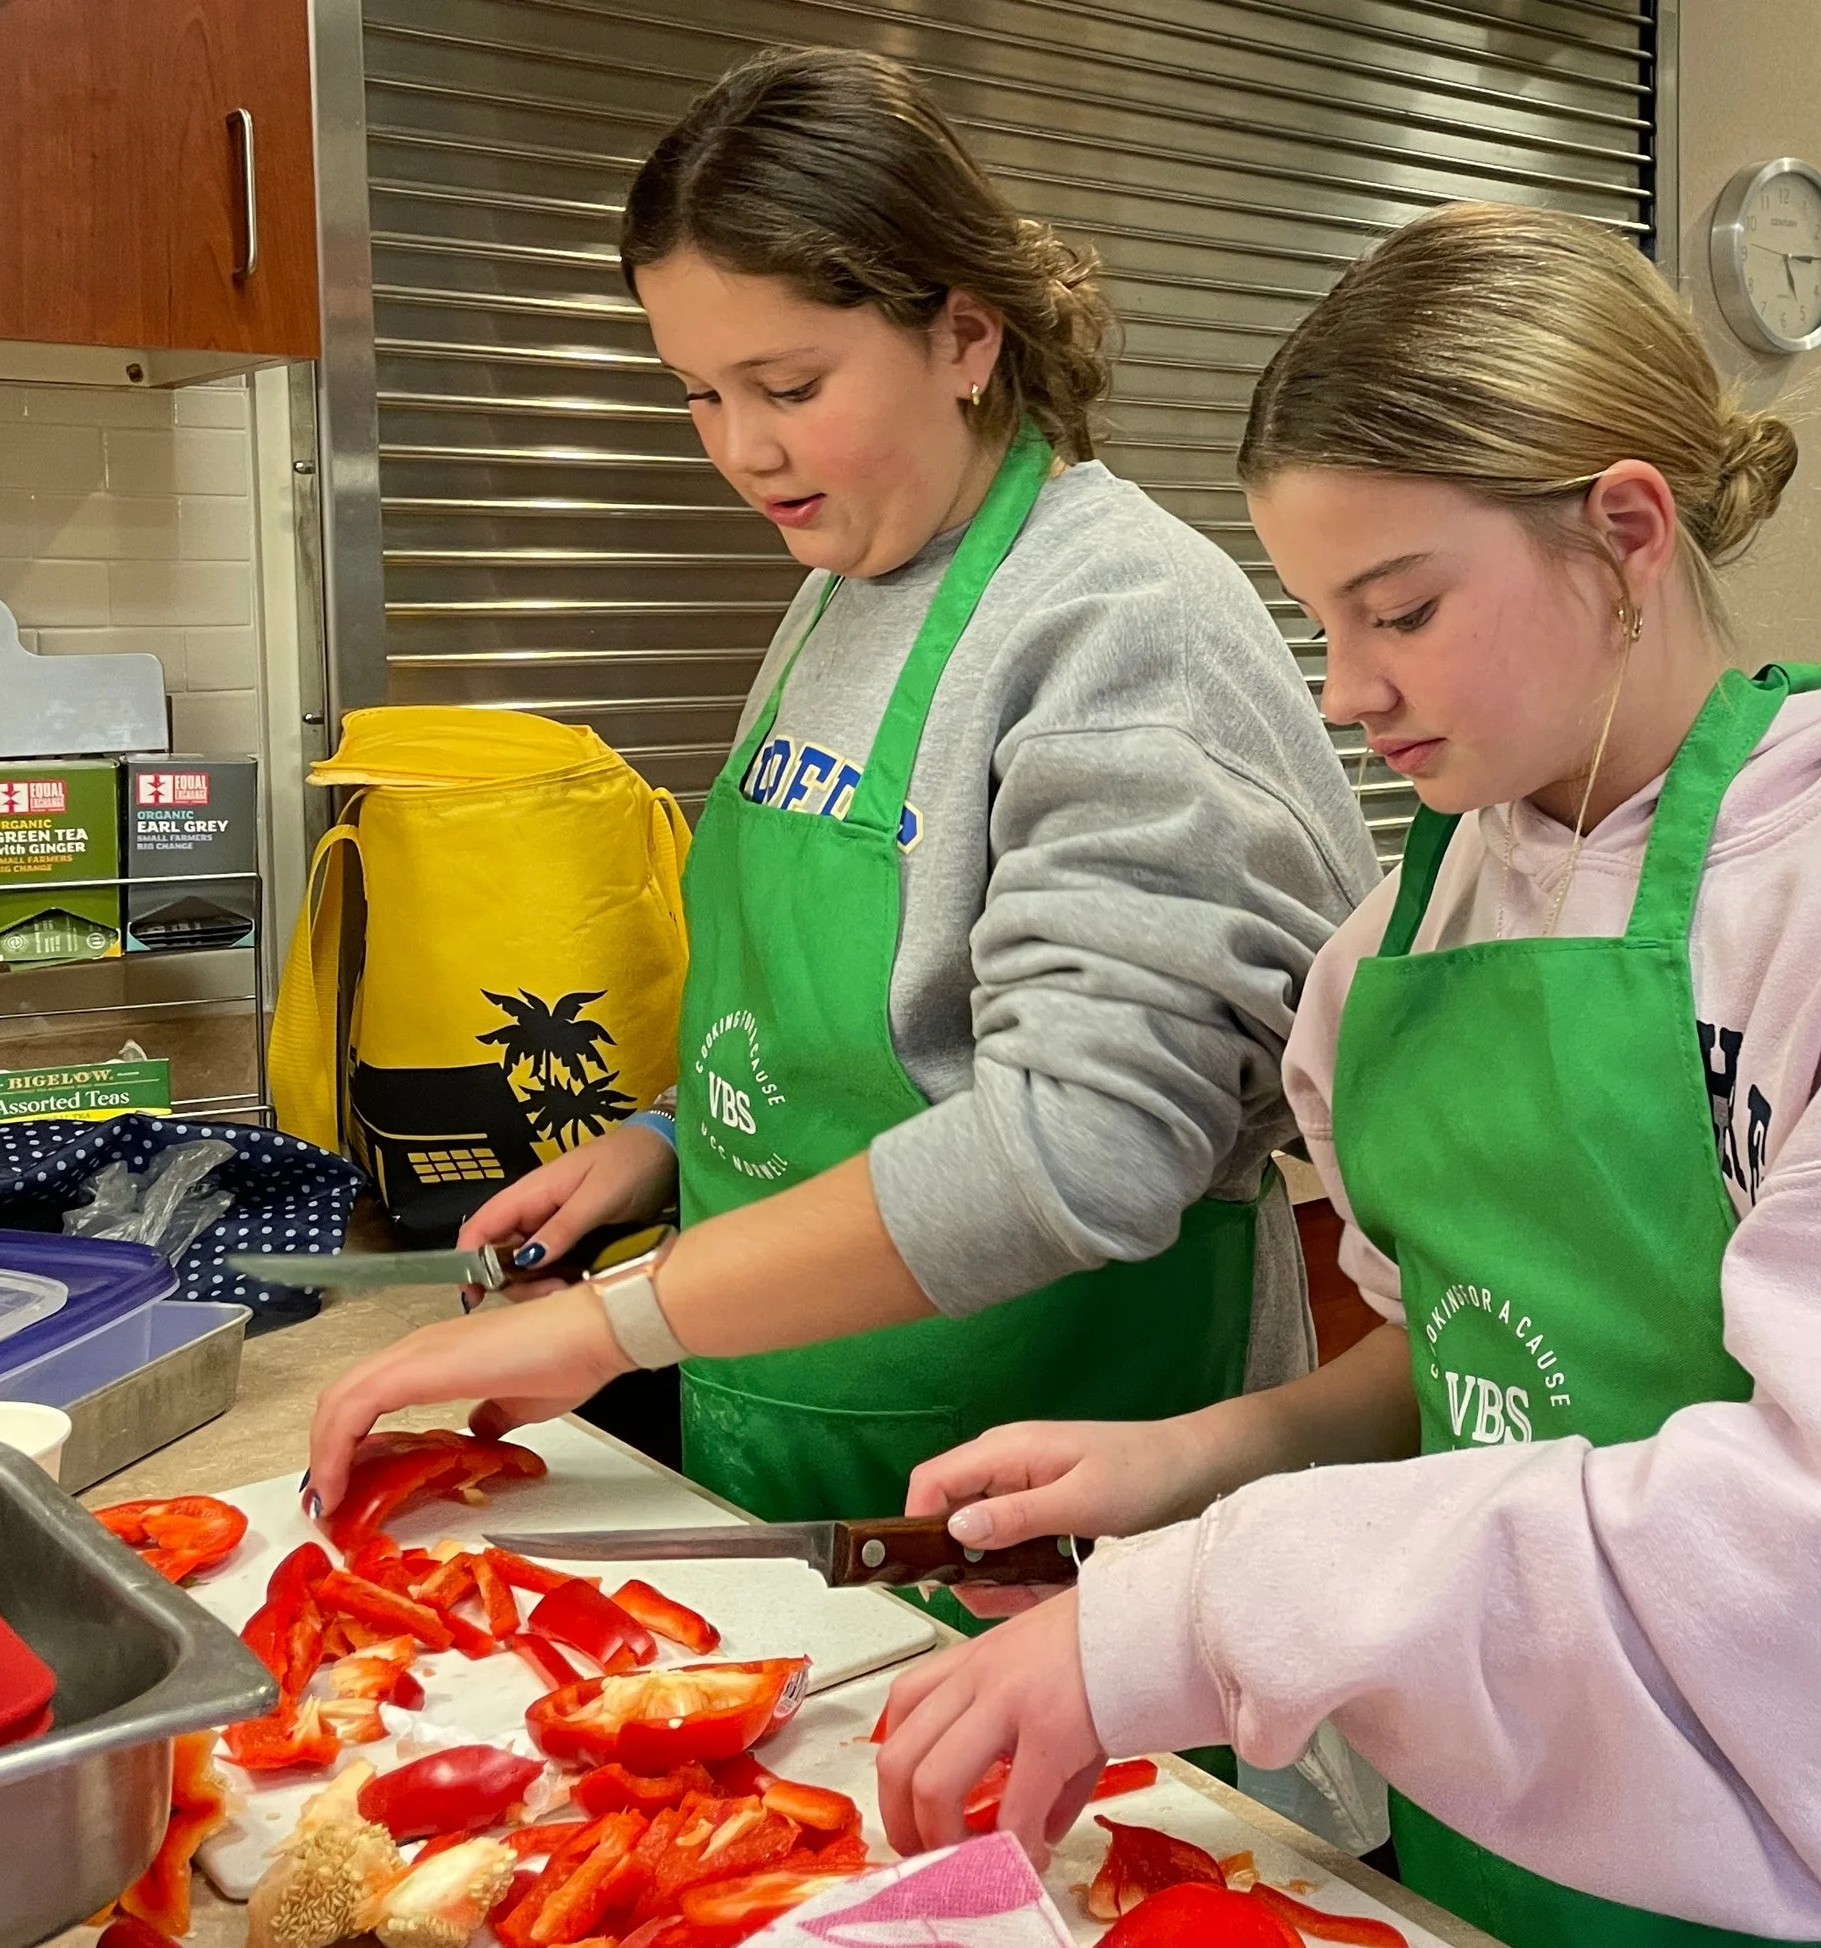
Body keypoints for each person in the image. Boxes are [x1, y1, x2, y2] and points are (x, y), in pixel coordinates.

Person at [871, 203, 1821, 1947]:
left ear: (1625, 532)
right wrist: (1202, 1458)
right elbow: (1465, 1359)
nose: (1347, 692)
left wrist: (1216, 1604)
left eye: (1402, 610)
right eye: (1321, 622)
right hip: (1522, 1851)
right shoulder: (1398, 939)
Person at [302, 50, 1376, 1572]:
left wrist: (615, 1323)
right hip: (791, 1438)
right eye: (700, 392)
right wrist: (673, 1140)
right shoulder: (845, 585)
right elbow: (887, 1038)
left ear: (965, 335)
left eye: (792, 388)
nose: (745, 449)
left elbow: (1087, 1141)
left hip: (1046, 1497)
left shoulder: (1121, 626)